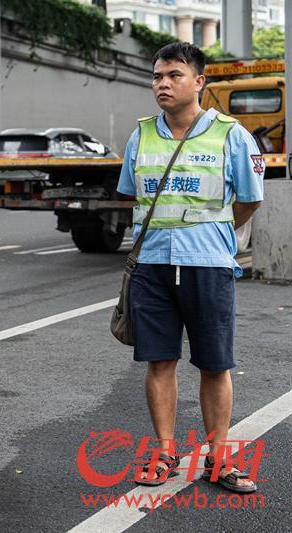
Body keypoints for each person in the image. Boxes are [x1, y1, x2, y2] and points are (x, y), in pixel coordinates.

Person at [117, 42, 263, 493]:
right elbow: (131, 196)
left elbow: (250, 199)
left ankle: (218, 460)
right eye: (157, 76)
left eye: (173, 75)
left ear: (199, 82)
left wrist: (212, 235)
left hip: (208, 266)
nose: (162, 83)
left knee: (215, 365)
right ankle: (164, 453)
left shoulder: (230, 134)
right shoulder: (141, 135)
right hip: (153, 265)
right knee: (159, 362)